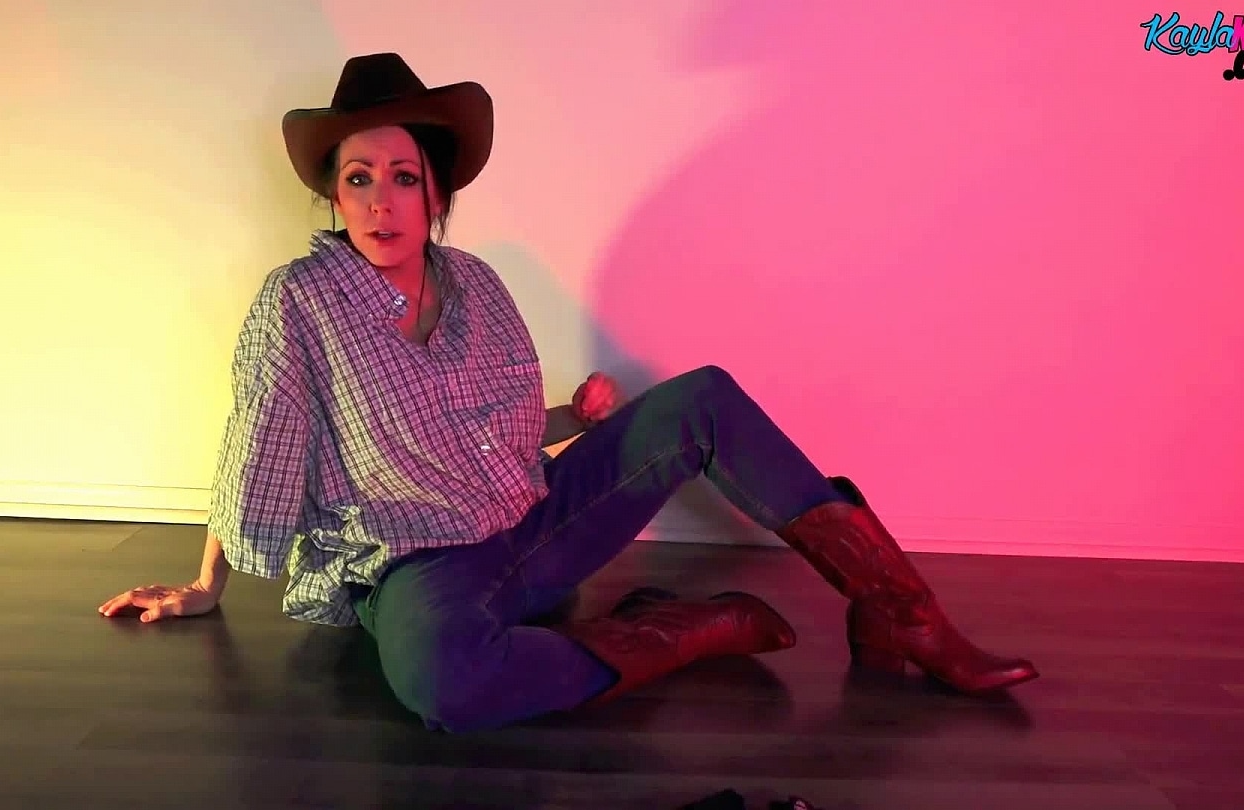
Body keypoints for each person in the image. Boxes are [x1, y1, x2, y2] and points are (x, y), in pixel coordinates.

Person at [98, 53, 1038, 734]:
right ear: (335, 200)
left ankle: (903, 613)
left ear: (436, 195)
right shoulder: (298, 301)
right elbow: (259, 443)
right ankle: (680, 632)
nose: (382, 200)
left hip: (531, 522)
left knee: (702, 397)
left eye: (403, 178)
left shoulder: (476, 285)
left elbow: (479, 434)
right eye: (359, 179)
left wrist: (569, 421)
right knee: (448, 686)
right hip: (419, 565)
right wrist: (205, 585)